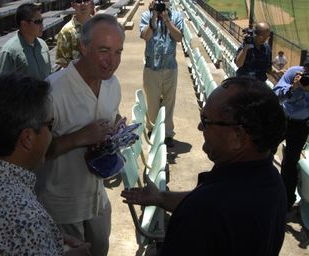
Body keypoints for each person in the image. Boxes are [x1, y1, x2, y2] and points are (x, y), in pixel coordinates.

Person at [121, 76, 287, 255]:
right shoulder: (271, 182)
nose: (200, 127)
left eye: (206, 120)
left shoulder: (203, 214)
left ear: (238, 137)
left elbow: (207, 209)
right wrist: (160, 198)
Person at [0, 74, 91, 255]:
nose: (51, 135)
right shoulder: (26, 217)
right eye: (50, 125)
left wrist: (49, 240)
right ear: (28, 138)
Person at [35, 14, 125, 256]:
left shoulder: (112, 84)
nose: (112, 61)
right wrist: (79, 137)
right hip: (62, 205)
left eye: (118, 52)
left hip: (97, 199)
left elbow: (113, 115)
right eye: (104, 50)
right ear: (83, 47)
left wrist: (118, 128)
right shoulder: (53, 91)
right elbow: (35, 154)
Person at [273, 55, 309, 211]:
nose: (306, 76)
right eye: (306, 71)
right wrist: (292, 88)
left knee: (290, 162)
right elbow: (275, 97)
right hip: (281, 117)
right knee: (265, 150)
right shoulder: (294, 72)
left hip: (301, 126)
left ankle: (287, 201)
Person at [139, 0, 183, 147]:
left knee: (169, 102)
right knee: (152, 101)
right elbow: (145, 36)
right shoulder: (146, 16)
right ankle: (152, 129)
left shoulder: (176, 16)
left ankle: (168, 133)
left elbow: (179, 37)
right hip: (152, 66)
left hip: (170, 66)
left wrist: (167, 21)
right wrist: (153, 18)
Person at [0, 3, 51, 80]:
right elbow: (2, 86)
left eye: (42, 20)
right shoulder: (9, 51)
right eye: (38, 21)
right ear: (24, 24)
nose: (42, 25)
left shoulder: (43, 45)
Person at [55, 0, 93, 68]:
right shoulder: (66, 32)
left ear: (91, 2)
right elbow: (64, 63)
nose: (83, 4)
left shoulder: (100, 26)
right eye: (78, 1)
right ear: (73, 4)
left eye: (86, 0)